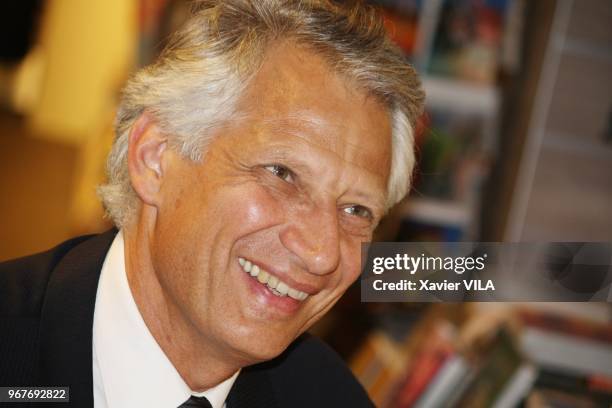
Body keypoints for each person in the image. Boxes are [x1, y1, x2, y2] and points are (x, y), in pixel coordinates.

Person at [0, 1, 424, 407]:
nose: (322, 252)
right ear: (155, 157)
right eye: (281, 174)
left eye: (356, 211)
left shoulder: (330, 399)